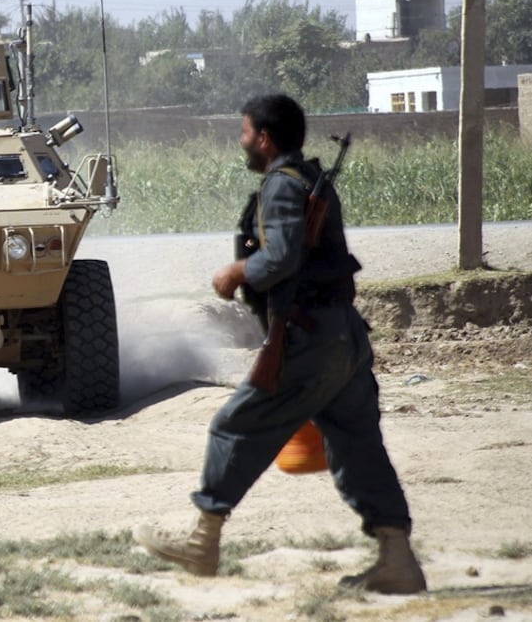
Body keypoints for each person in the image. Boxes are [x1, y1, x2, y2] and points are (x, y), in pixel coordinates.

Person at [133, 93, 427, 595]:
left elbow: (283, 257)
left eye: (245, 132)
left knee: (234, 426)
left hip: (308, 336)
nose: (241, 141)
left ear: (264, 138)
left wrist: (236, 271)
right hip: (344, 334)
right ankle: (396, 557)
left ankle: (203, 542)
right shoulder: (308, 180)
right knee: (357, 445)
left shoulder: (283, 187)